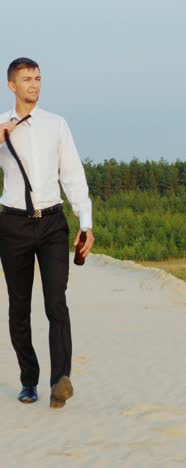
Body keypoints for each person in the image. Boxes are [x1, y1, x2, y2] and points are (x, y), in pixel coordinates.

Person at [0, 57, 94, 408]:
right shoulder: (0, 126)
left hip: (53, 223)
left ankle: (60, 380)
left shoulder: (56, 124)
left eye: (38, 78)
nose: (35, 85)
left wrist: (86, 222)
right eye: (27, 79)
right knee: (19, 308)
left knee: (56, 302)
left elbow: (72, 175)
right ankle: (29, 380)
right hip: (12, 225)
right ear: (12, 85)